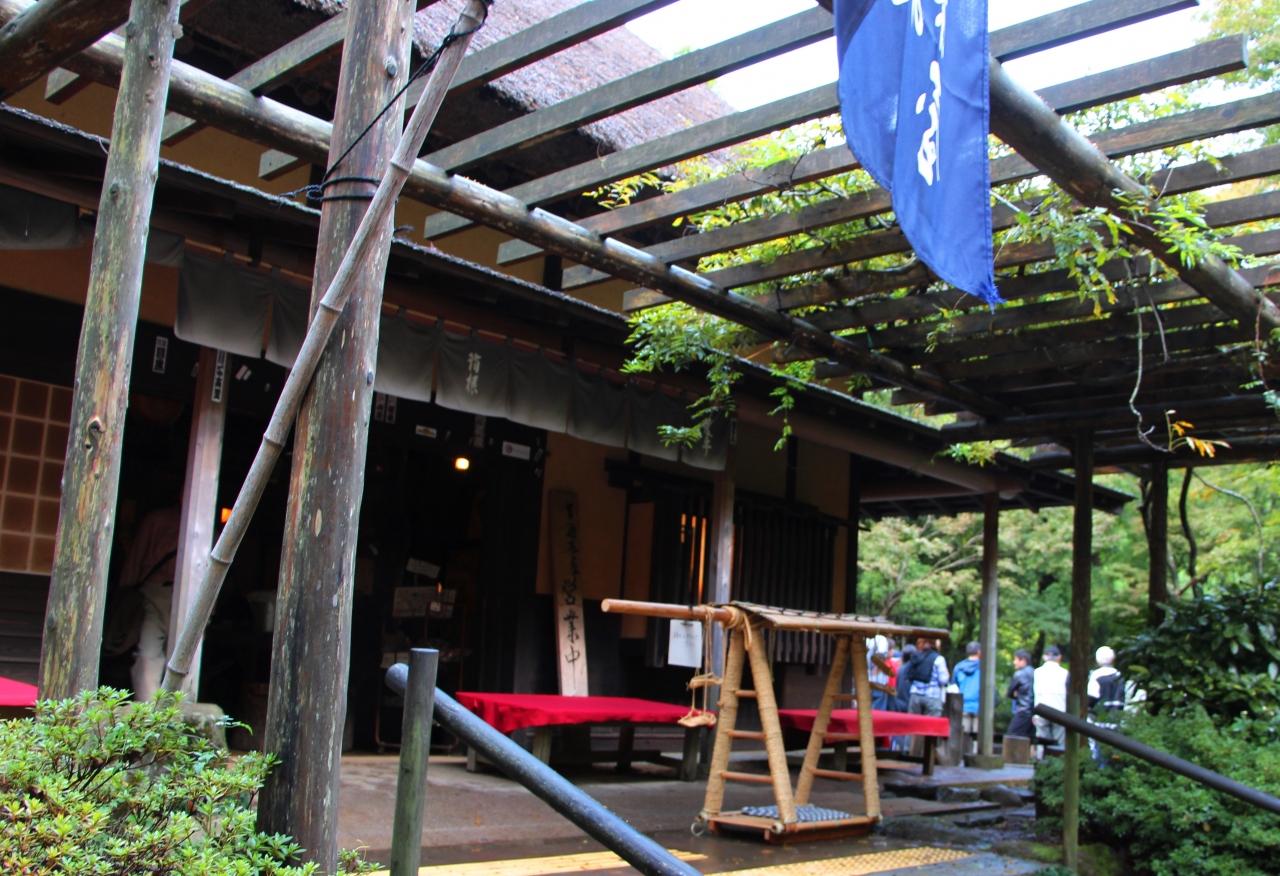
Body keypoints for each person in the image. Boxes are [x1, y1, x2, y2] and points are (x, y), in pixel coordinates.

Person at [118, 505, 181, 700]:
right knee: (147, 654)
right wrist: (124, 594)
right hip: (154, 594)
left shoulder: (208, 527)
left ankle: (177, 712)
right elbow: (136, 559)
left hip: (190, 597)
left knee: (184, 660)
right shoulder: (156, 520)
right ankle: (149, 711)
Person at [1033, 644, 1069, 748]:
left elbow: (1035, 693)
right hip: (1060, 710)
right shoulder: (1065, 673)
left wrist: (1035, 714)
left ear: (1044, 657)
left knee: (1041, 742)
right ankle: (1058, 757)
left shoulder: (1037, 672)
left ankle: (1041, 757)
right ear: (1059, 657)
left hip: (1041, 710)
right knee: (1059, 743)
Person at [905, 637, 949, 717]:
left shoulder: (915, 656)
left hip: (915, 696)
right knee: (931, 724)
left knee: (913, 723)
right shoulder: (938, 659)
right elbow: (944, 680)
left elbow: (909, 676)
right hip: (932, 696)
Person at [951, 641, 983, 750]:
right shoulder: (984, 667)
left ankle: (963, 755)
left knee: (964, 734)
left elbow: (954, 686)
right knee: (979, 736)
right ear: (979, 652)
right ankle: (976, 754)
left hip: (963, 704)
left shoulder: (959, 667)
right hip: (980, 706)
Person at [1088, 646, 1127, 720]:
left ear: (1097, 660)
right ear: (1112, 659)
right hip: (1117, 717)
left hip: (1099, 717)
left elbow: (1092, 697)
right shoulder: (1119, 675)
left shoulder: (1095, 674)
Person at [1006, 648, 1035, 739]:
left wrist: (1016, 694)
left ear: (1023, 660)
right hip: (1034, 712)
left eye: (1016, 659)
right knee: (1029, 740)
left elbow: (1009, 693)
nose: (1014, 662)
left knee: (1011, 737)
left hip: (1023, 711)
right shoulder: (1035, 672)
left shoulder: (1019, 674)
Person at [867, 634, 895, 710]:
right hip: (878, 684)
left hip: (869, 682)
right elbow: (880, 658)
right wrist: (880, 668)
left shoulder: (869, 640)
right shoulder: (882, 639)